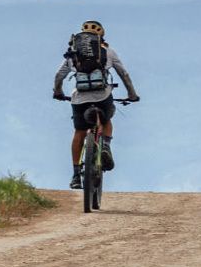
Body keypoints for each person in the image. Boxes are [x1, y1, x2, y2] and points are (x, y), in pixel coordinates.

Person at [52, 19, 139, 189]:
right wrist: (132, 94)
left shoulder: (73, 53)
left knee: (79, 131)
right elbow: (124, 74)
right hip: (102, 96)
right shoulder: (108, 51)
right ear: (101, 36)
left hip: (80, 99)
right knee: (106, 121)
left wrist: (58, 91)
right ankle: (105, 145)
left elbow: (59, 75)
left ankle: (76, 174)